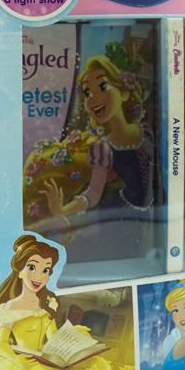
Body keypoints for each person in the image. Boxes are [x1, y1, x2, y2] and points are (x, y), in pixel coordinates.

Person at [0, 234, 134, 370]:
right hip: (25, 364)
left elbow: (53, 337)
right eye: (32, 267)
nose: (39, 276)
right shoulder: (12, 306)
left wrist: (70, 342)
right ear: (19, 271)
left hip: (47, 359)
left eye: (45, 270)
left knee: (91, 367)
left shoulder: (47, 302)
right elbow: (1, 343)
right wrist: (16, 359)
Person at [42, 55, 155, 262]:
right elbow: (93, 194)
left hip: (153, 218)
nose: (93, 98)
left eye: (103, 86)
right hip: (118, 220)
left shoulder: (147, 132)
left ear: (123, 93)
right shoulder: (102, 148)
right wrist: (62, 210)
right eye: (87, 92)